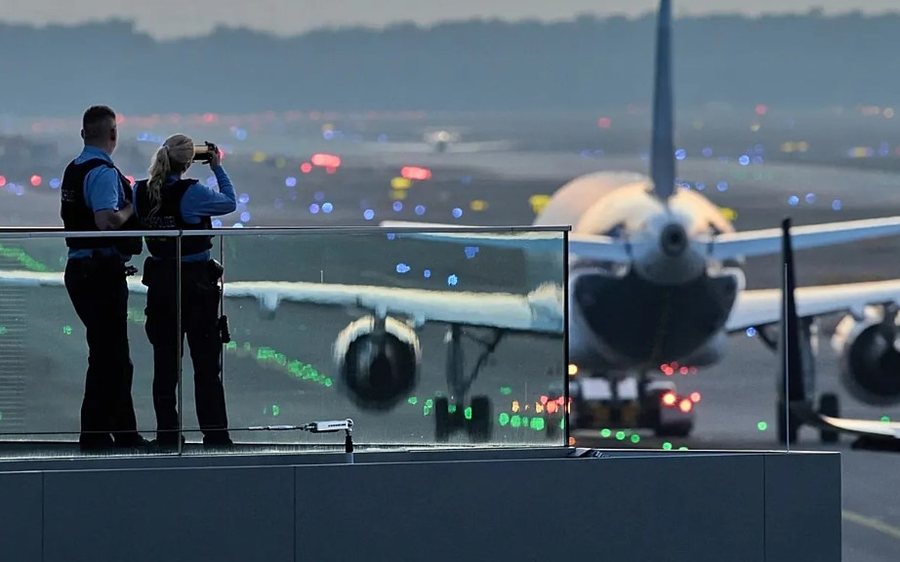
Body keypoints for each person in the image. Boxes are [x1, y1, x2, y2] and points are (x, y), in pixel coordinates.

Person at [133, 134, 235, 448]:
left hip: (161, 282)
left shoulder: (140, 191)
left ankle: (167, 433)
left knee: (165, 364)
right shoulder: (192, 193)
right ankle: (215, 433)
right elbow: (229, 202)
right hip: (196, 285)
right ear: (190, 161)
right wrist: (217, 167)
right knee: (205, 364)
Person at [60, 105, 146, 451]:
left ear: (84, 134)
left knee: (107, 354)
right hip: (100, 272)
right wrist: (133, 206)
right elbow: (106, 221)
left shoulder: (74, 170)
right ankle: (104, 436)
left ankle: (108, 433)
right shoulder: (104, 173)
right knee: (111, 357)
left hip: (80, 270)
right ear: (113, 135)